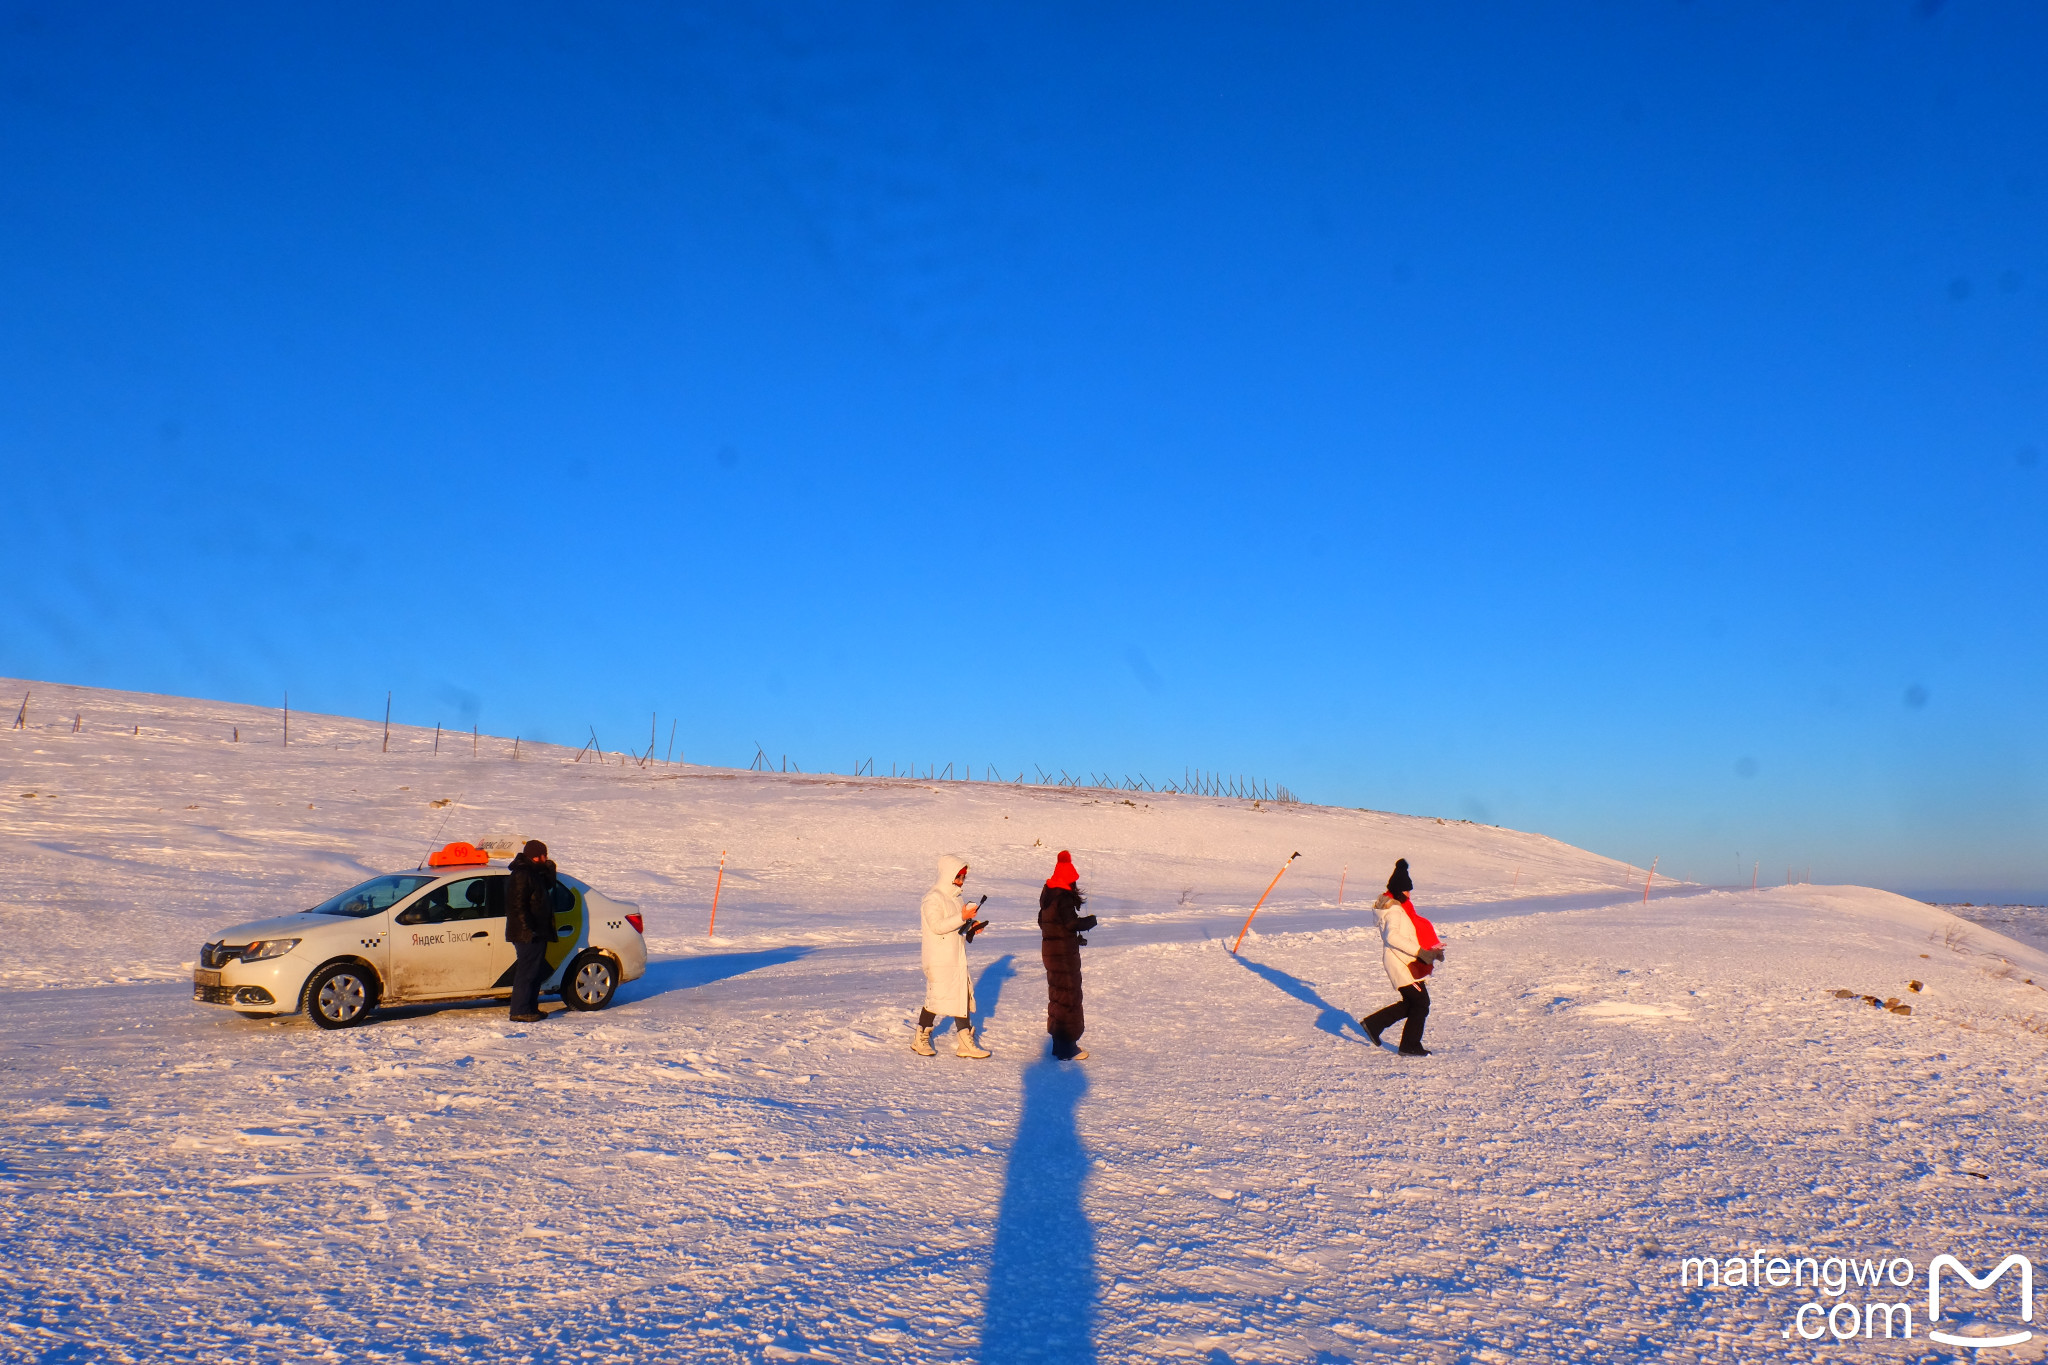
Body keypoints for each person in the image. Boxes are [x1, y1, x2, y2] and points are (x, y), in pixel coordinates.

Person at [1360, 858, 1443, 1056]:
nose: (1409, 894)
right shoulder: (1395, 910)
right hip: (1402, 964)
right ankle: (1409, 1045)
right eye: (1406, 890)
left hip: (1402, 962)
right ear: (1399, 890)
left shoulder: (1396, 908)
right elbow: (1393, 937)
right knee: (1421, 1003)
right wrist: (1421, 952)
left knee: (1412, 1003)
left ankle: (1373, 1024)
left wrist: (1431, 950)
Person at [914, 853, 990, 1058]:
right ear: (948, 874)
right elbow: (937, 926)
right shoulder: (932, 898)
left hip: (955, 957)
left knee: (961, 997)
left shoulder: (956, 898)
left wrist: (971, 926)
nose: (961, 881)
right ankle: (920, 1036)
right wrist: (962, 917)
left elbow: (956, 927)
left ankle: (965, 1040)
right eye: (958, 876)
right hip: (938, 959)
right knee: (937, 997)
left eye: (964, 877)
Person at [1038, 850, 1097, 1061]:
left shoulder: (1048, 894)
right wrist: (1088, 922)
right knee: (1069, 998)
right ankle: (1067, 1047)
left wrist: (1072, 938)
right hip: (1063, 956)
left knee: (1058, 996)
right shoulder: (1062, 897)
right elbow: (1071, 923)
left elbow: (1047, 924)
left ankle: (1058, 1044)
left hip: (1052, 953)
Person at [505, 839, 558, 1023]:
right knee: (526, 972)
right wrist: (527, 930)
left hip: (538, 931)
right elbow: (517, 905)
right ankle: (519, 1010)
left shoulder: (535, 872)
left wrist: (550, 869)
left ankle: (530, 1007)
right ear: (536, 856)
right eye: (544, 855)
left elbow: (549, 885)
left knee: (535, 971)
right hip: (527, 933)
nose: (546, 858)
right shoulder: (522, 874)